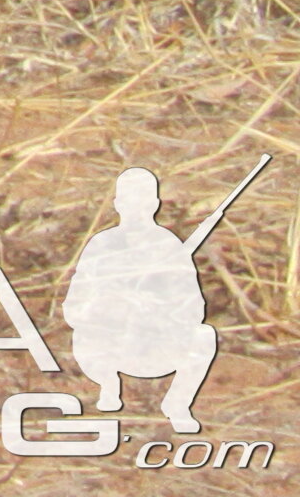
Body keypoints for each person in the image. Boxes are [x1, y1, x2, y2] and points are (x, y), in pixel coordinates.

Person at [63, 165, 225, 432]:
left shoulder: (169, 246)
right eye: (128, 200)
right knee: (83, 337)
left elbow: (194, 308)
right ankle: (108, 387)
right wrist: (110, 305)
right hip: (111, 345)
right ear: (117, 204)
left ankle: (178, 403)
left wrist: (157, 308)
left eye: (143, 201)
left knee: (204, 335)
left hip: (155, 344)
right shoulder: (101, 246)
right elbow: (74, 307)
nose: (135, 208)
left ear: (155, 204)